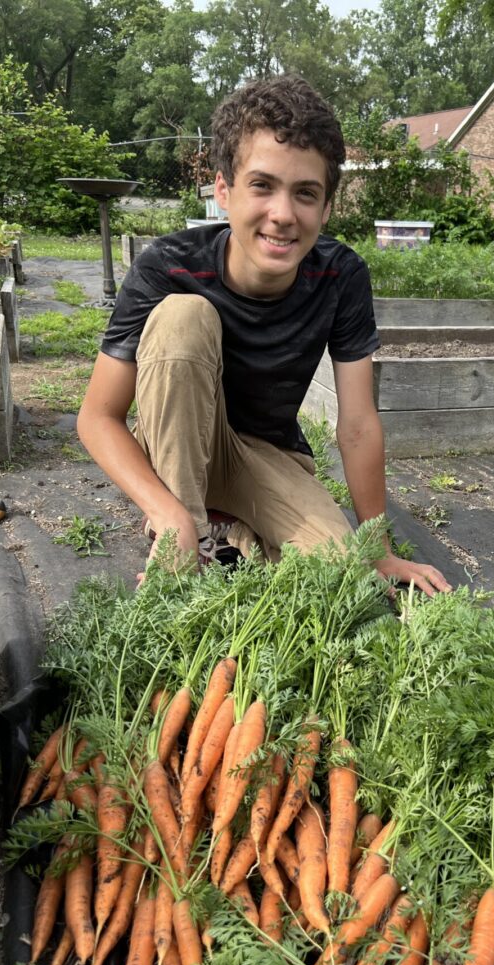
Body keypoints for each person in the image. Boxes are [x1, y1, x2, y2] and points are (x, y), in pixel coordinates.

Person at [77, 74, 450, 597]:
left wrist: (378, 550)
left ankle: (235, 524)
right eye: (262, 185)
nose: (282, 214)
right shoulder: (168, 266)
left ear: (326, 208)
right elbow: (98, 416)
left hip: (266, 455)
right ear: (223, 191)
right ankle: (192, 538)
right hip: (179, 448)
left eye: (305, 194)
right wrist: (167, 514)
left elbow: (359, 424)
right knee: (183, 317)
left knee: (345, 582)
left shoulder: (341, 276)